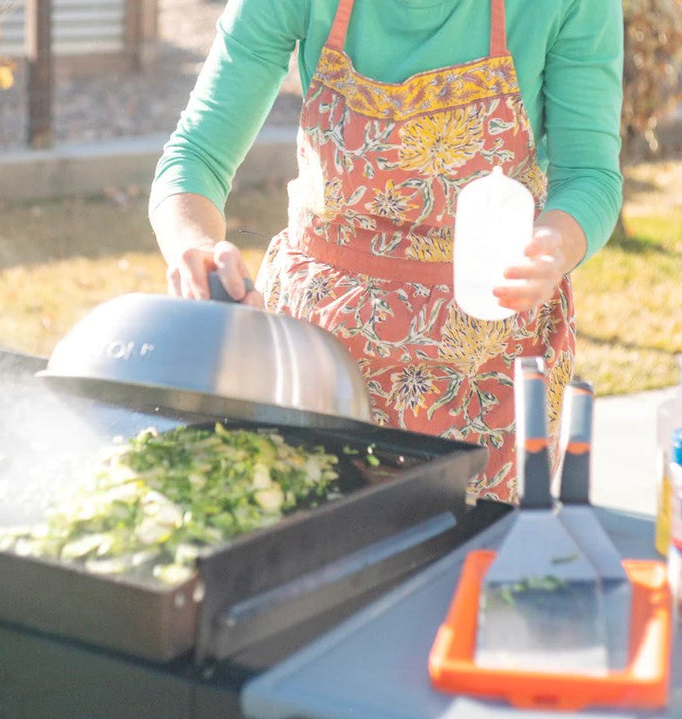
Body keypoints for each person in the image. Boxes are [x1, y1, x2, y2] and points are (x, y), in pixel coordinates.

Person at [149, 0, 624, 504]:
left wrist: (553, 244)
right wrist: (193, 243)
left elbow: (590, 174)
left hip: (485, 364)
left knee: (465, 565)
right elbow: (198, 151)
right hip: (317, 359)